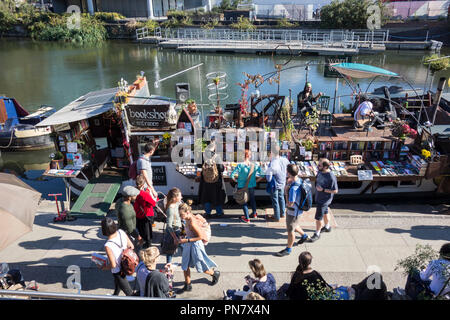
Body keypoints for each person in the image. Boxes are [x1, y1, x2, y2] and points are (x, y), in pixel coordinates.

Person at [176, 203, 220, 293]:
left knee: (201, 266)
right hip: (189, 243)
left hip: (196, 245)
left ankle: (214, 274)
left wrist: (186, 240)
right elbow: (189, 232)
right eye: (179, 215)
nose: (181, 217)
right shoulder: (187, 218)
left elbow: (200, 237)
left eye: (182, 215)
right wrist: (184, 236)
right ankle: (187, 285)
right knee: (185, 265)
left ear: (187, 212)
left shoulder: (192, 222)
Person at [275, 164, 310, 257]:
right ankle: (304, 236)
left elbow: (290, 203)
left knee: (290, 231)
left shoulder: (293, 189)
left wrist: (286, 191)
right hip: (298, 211)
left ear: (289, 173)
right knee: (295, 225)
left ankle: (288, 249)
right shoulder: (299, 180)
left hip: (293, 212)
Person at [100, 217, 134, 296]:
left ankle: (115, 295)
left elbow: (113, 265)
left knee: (130, 293)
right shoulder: (121, 232)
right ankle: (115, 295)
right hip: (126, 265)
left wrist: (103, 267)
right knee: (117, 283)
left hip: (118, 271)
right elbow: (131, 246)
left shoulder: (108, 245)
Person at [308, 158, 338, 242]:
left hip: (324, 200)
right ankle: (327, 227)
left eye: (319, 165)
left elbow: (335, 191)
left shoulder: (331, 176)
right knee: (325, 212)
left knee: (318, 218)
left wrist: (323, 190)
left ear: (325, 167)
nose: (317, 166)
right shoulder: (320, 172)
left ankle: (317, 233)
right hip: (319, 197)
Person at [230, 149, 263, 223]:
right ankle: (254, 214)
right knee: (252, 199)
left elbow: (232, 175)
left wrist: (236, 181)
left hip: (242, 186)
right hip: (251, 185)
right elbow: (262, 174)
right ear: (249, 156)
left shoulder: (240, 165)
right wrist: (256, 181)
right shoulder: (254, 165)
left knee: (243, 201)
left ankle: (247, 218)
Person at [198, 142, 227, 218]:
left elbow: (198, 165)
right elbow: (221, 168)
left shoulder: (203, 155)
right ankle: (219, 212)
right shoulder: (216, 156)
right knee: (217, 196)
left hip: (205, 180)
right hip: (216, 180)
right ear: (214, 147)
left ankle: (208, 212)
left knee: (207, 196)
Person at [265, 145, 290, 222]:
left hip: (275, 185)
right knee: (281, 198)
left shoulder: (273, 163)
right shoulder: (285, 160)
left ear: (272, 152)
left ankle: (277, 217)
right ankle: (282, 213)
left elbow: (269, 179)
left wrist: (267, 170)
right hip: (282, 182)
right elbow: (288, 169)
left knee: (275, 200)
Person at [134, 174, 158, 249]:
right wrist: (152, 193)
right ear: (143, 184)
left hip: (138, 214)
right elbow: (154, 203)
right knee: (147, 232)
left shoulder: (134, 192)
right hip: (146, 214)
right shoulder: (145, 194)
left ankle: (142, 243)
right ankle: (148, 245)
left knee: (140, 230)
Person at [165, 187, 183, 263]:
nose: (181, 197)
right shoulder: (170, 210)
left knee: (184, 247)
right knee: (170, 250)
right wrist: (175, 238)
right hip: (172, 233)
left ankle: (188, 260)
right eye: (180, 196)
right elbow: (169, 226)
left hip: (179, 230)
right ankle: (168, 265)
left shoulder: (178, 204)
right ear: (175, 198)